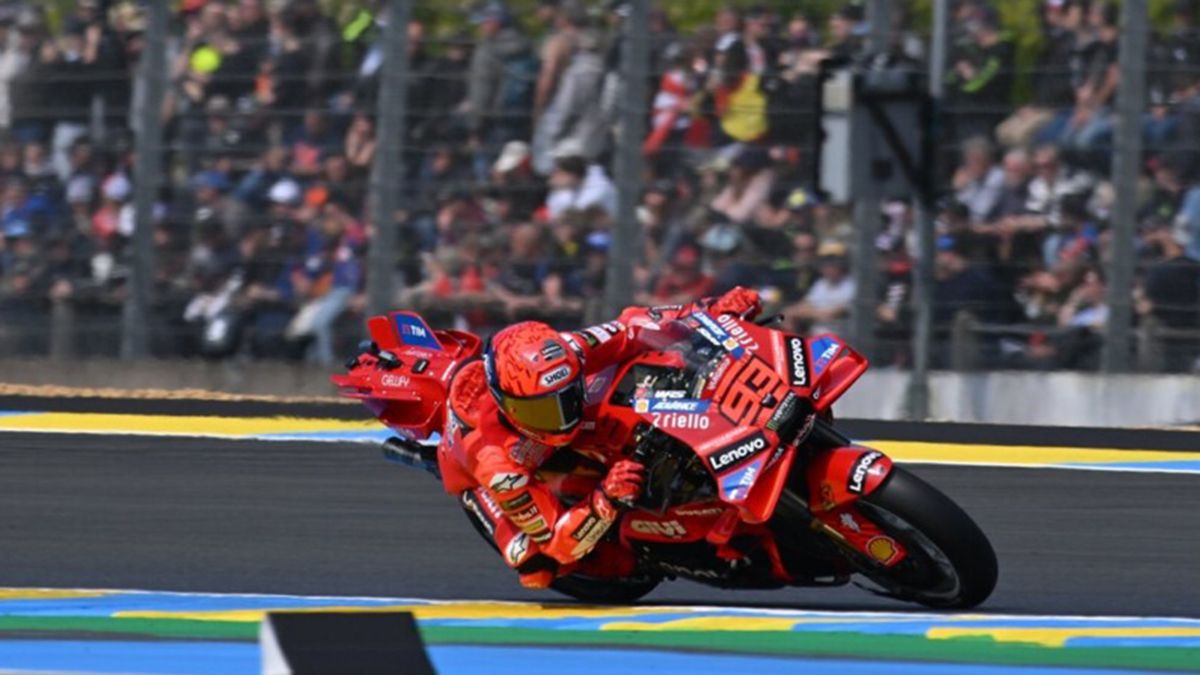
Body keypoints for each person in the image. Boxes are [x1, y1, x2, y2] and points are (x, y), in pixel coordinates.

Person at [440, 286, 762, 588]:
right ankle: (633, 559)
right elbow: (557, 542)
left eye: (567, 397)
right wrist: (605, 500)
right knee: (535, 564)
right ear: (506, 406)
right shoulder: (496, 465)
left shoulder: (569, 351)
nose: (561, 419)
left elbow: (634, 325)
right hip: (479, 474)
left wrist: (711, 309)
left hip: (576, 438)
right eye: (542, 411)